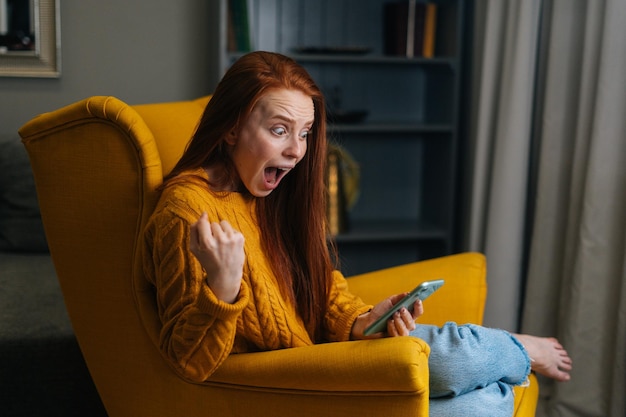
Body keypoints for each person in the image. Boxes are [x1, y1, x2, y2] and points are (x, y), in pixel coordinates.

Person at [143, 51, 572, 416]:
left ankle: (509, 357)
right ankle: (519, 353)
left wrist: (361, 322)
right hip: (297, 383)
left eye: (305, 134)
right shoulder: (188, 211)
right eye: (279, 130)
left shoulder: (266, 194)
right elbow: (188, 364)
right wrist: (222, 289)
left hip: (328, 353)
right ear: (232, 128)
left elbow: (320, 286)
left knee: (461, 370)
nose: (296, 151)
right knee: (475, 384)